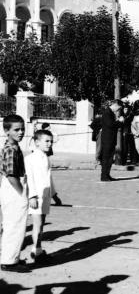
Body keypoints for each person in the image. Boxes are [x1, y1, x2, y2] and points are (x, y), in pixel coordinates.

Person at [0, 114, 30, 272]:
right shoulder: (11, 150)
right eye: (16, 130)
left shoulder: (11, 146)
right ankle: (9, 261)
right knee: (15, 226)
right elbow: (11, 176)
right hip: (14, 189)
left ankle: (11, 257)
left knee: (13, 225)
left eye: (22, 129)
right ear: (6, 131)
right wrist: (22, 194)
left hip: (9, 189)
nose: (20, 132)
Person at [25, 129, 58, 263]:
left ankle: (38, 250)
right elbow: (29, 178)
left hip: (45, 196)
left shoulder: (46, 158)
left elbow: (49, 178)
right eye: (46, 141)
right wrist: (32, 196)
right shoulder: (30, 158)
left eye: (51, 141)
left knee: (42, 224)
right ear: (37, 142)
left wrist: (55, 195)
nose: (49, 144)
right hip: (36, 197)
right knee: (37, 224)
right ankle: (36, 250)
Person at [100, 100, 124, 182]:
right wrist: (119, 121)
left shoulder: (110, 113)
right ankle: (104, 176)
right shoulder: (107, 112)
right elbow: (111, 125)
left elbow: (113, 125)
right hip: (107, 139)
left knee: (110, 158)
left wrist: (119, 122)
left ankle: (107, 175)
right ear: (115, 105)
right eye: (118, 108)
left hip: (111, 139)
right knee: (106, 158)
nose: (118, 110)